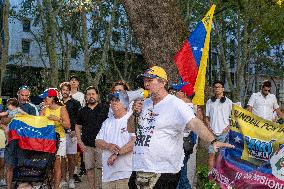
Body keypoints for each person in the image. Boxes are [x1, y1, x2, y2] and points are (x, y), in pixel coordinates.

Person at [127, 66, 234, 189]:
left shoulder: (175, 104)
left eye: (150, 80)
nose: (146, 84)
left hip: (164, 171)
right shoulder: (143, 104)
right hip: (139, 168)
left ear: (163, 83)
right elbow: (131, 129)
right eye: (145, 81)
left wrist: (213, 140)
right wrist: (134, 113)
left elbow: (195, 123)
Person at [96, 91, 135, 189]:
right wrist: (108, 145)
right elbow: (97, 141)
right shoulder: (106, 122)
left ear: (125, 103)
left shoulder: (131, 119)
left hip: (126, 173)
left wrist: (117, 153)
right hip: (108, 175)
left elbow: (135, 141)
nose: (114, 103)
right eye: (112, 100)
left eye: (117, 100)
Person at [75, 86, 109, 189]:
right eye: (89, 94)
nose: (91, 96)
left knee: (100, 169)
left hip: (101, 145)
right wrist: (80, 142)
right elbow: (77, 126)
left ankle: (99, 187)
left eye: (93, 94)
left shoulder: (104, 108)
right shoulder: (82, 111)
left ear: (97, 95)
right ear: (86, 96)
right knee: (89, 169)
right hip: (87, 146)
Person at [5, 86, 39, 189]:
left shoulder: (32, 107)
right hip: (11, 141)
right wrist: (11, 118)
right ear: (18, 94)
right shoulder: (10, 104)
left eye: (26, 95)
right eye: (22, 95)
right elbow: (3, 121)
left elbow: (35, 124)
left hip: (25, 143)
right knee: (10, 166)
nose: (24, 97)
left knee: (25, 167)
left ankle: (24, 185)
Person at [39, 88, 71, 189]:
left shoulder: (62, 108)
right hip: (47, 140)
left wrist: (57, 119)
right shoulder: (44, 109)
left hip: (60, 139)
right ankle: (47, 184)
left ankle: (56, 187)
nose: (44, 99)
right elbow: (39, 124)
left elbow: (68, 125)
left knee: (57, 165)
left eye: (46, 97)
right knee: (47, 164)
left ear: (53, 98)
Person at [171, 82, 197, 189]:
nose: (175, 93)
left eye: (178, 91)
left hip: (182, 144)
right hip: (181, 144)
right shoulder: (185, 108)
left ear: (184, 94)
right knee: (180, 176)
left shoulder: (186, 109)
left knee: (180, 176)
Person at [205, 80, 233, 170]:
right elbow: (206, 117)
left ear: (223, 89)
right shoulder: (209, 102)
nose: (217, 88)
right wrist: (209, 127)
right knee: (211, 156)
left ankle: (220, 180)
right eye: (215, 87)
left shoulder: (229, 102)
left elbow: (233, 118)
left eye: (219, 87)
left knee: (221, 158)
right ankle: (210, 181)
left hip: (224, 133)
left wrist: (228, 128)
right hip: (212, 134)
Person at [59, 82, 81, 188]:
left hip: (72, 134)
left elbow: (80, 118)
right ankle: (63, 179)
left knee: (72, 157)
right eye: (63, 90)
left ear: (69, 91)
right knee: (62, 157)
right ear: (61, 91)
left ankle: (71, 178)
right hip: (60, 134)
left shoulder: (75, 103)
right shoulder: (58, 103)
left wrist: (75, 131)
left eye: (67, 90)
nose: (65, 92)